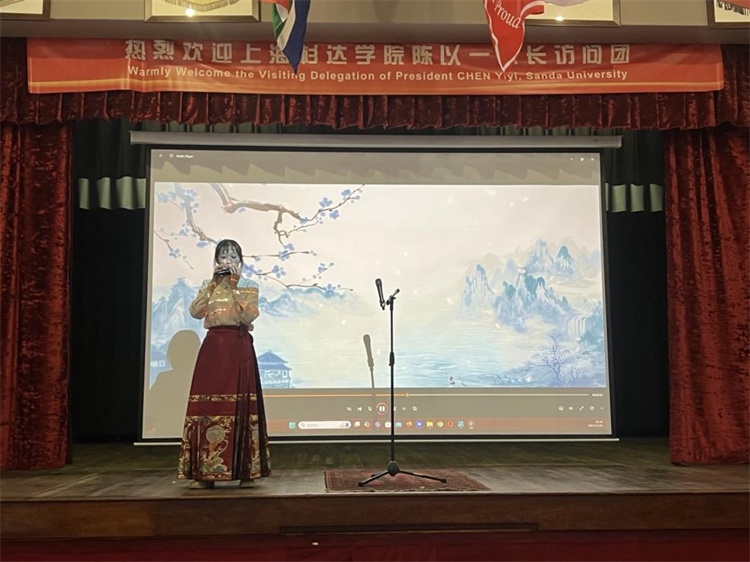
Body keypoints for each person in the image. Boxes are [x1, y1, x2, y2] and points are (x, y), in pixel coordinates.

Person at [177, 239, 271, 489]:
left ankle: (245, 472)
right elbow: (195, 312)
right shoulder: (209, 285)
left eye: (233, 256)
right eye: (223, 256)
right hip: (213, 348)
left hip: (238, 347)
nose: (227, 261)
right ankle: (204, 474)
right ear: (216, 260)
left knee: (241, 406)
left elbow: (248, 315)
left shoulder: (249, 286)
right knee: (207, 406)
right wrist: (212, 284)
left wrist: (234, 284)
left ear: (241, 260)